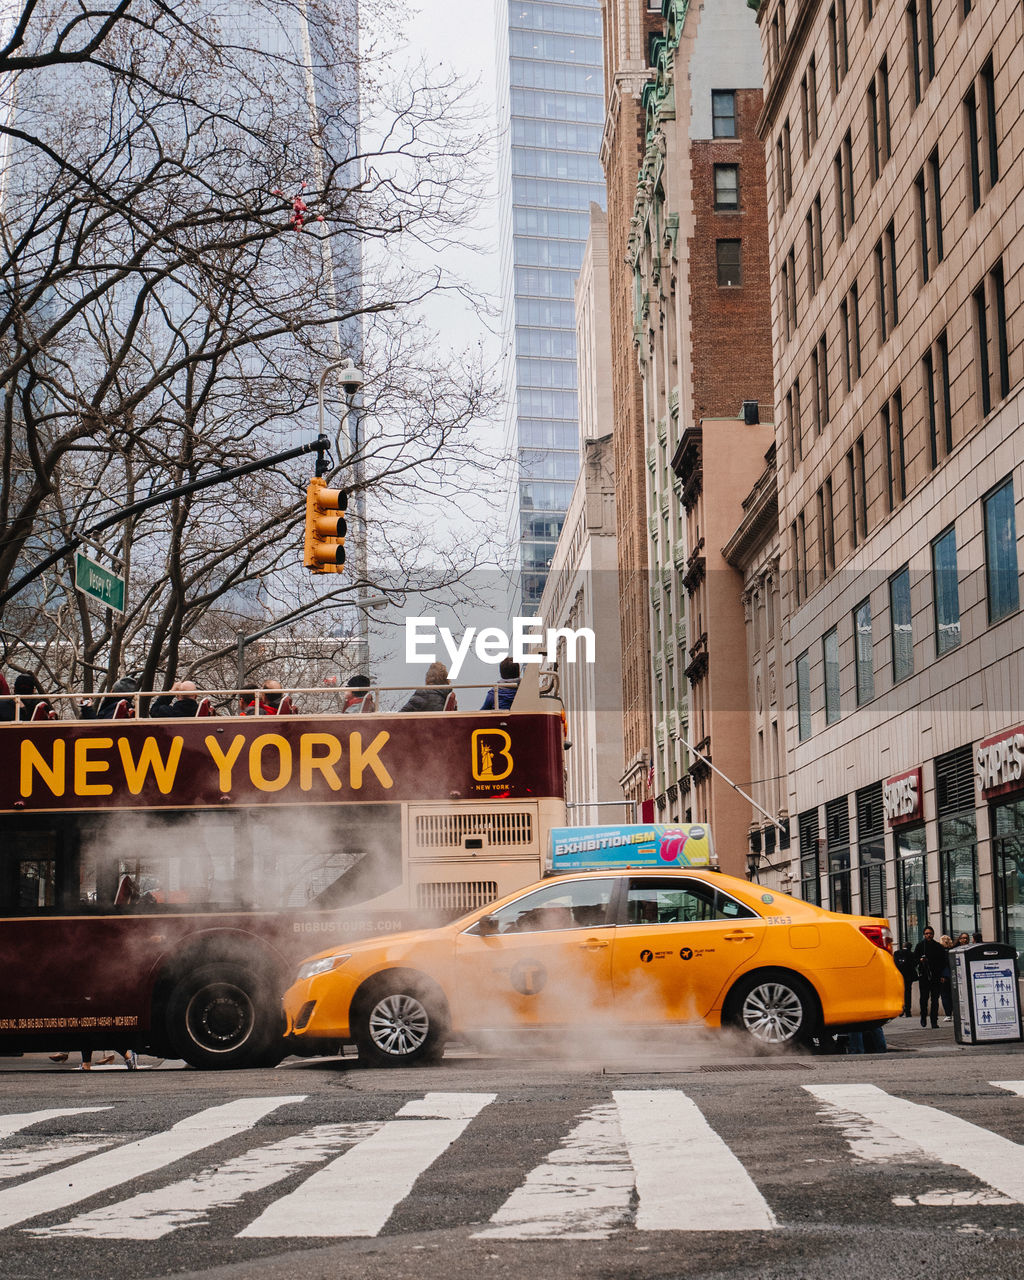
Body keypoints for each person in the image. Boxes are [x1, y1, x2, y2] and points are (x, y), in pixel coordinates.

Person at [914, 925, 946, 1028]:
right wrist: (920, 960)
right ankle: (923, 1017)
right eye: (927, 933)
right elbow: (914, 960)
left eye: (930, 933)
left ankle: (934, 1020)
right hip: (924, 976)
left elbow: (943, 962)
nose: (929, 935)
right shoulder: (920, 946)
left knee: (935, 999)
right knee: (924, 999)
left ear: (933, 934)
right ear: (924, 934)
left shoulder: (938, 947)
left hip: (936, 976)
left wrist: (942, 975)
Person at [892, 939, 916, 1016]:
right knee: (908, 992)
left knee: (900, 993)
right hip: (909, 976)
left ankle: (901, 1009)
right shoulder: (912, 954)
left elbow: (894, 963)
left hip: (899, 975)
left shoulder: (896, 953)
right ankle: (908, 1011)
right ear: (910, 947)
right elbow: (914, 964)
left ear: (903, 946)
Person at [939, 934, 955, 1020]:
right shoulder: (952, 951)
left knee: (945, 995)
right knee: (953, 995)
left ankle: (948, 1014)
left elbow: (941, 965)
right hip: (953, 975)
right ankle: (954, 1012)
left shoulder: (940, 952)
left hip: (944, 976)